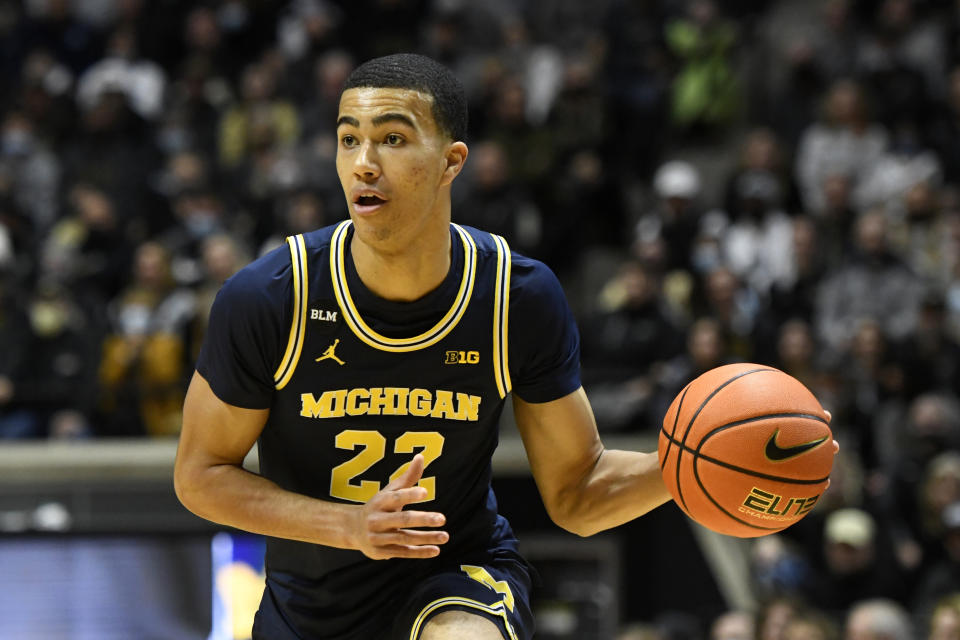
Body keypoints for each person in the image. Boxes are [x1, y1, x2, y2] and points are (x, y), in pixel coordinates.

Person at [173, 53, 673, 640]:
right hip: (312, 605)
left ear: (451, 161)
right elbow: (201, 475)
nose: (363, 163)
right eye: (347, 139)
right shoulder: (271, 296)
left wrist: (686, 469)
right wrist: (352, 527)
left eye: (391, 139)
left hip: (458, 576)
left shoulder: (517, 296)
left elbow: (577, 492)